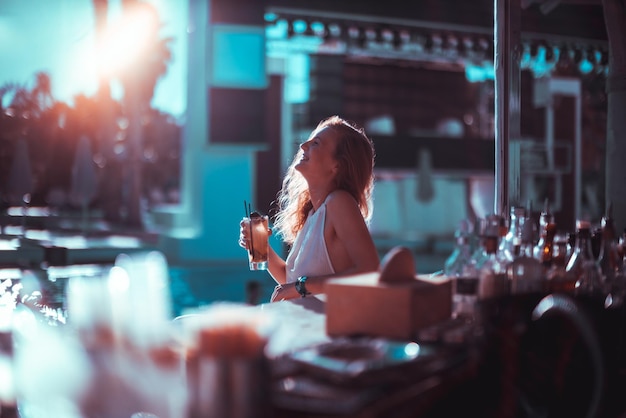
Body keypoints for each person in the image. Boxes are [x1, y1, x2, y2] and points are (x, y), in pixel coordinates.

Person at [239, 115, 380, 301]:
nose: (303, 146)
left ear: (337, 165)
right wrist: (262, 247)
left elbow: (369, 272)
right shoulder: (314, 214)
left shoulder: (339, 201)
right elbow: (292, 282)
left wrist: (301, 286)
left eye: (316, 143)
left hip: (329, 328)